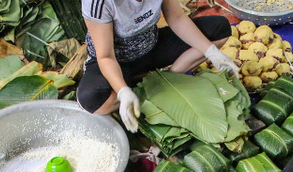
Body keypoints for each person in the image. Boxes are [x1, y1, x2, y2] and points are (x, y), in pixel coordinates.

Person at [77, 0, 238, 132]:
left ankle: (168, 77)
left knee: (220, 28)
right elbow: (105, 56)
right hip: (117, 61)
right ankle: (137, 89)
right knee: (91, 99)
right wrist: (122, 91)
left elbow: (177, 18)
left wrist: (211, 52)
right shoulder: (98, 3)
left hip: (152, 46)